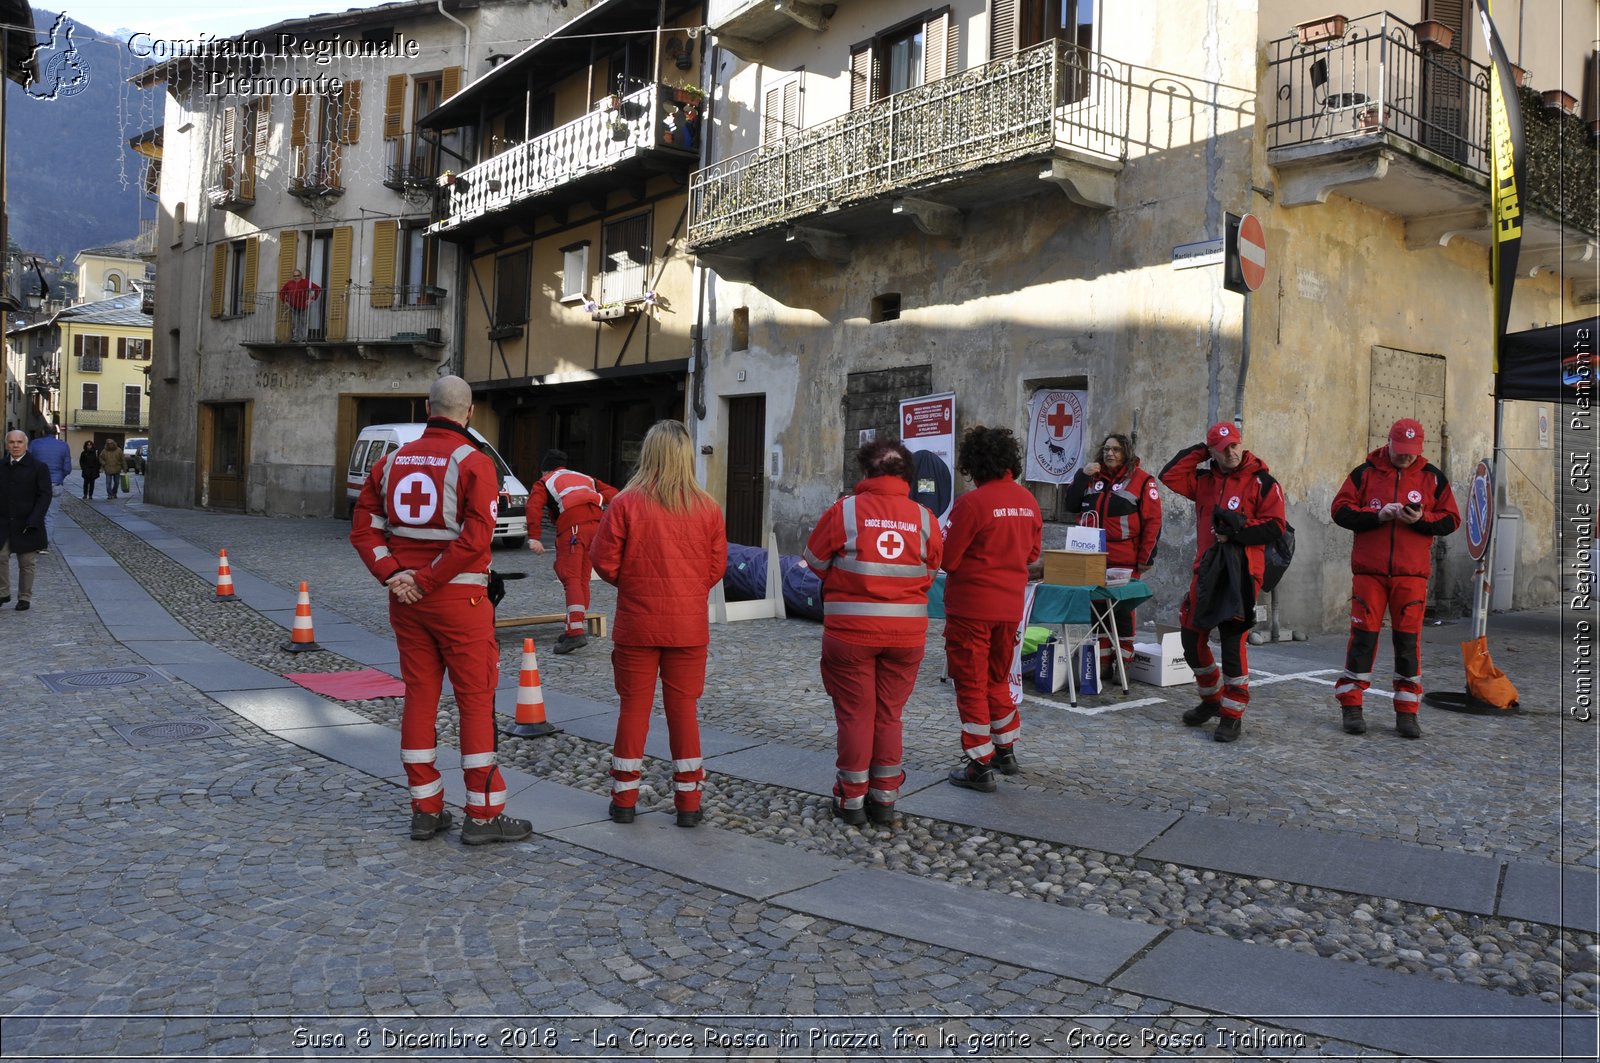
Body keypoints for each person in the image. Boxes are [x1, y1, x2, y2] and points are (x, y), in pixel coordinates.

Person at [350, 375, 532, 846]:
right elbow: (476, 541)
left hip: (405, 603)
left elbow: (364, 528)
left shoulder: (389, 462)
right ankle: (483, 815)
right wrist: (428, 579)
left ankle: (425, 810)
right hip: (459, 601)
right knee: (475, 700)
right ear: (469, 413)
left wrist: (394, 576)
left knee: (420, 696)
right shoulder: (475, 461)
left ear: (427, 407)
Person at [589, 420, 726, 828]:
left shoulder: (626, 504)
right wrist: (688, 588)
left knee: (634, 708)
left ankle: (625, 798)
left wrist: (632, 583)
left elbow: (604, 560)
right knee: (684, 709)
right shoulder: (707, 508)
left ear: (647, 455)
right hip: (687, 626)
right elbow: (716, 566)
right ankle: (688, 800)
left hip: (638, 623)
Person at [804, 441, 943, 826]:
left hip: (851, 634)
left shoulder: (844, 511)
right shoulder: (925, 518)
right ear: (908, 477)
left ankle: (850, 801)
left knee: (855, 715)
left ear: (865, 473)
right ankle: (884, 800)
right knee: (889, 716)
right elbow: (930, 573)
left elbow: (814, 561)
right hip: (906, 635)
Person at [1331, 418, 1460, 739]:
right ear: (1388, 443)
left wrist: (1421, 520)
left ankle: (1407, 712)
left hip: (1411, 577)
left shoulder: (1433, 478)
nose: (1406, 457)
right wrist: (1377, 515)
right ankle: (1352, 706)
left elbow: (1451, 519)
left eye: (1412, 452)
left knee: (1407, 645)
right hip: (1369, 575)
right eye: (1401, 451)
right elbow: (1339, 510)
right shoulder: (1364, 473)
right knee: (1362, 641)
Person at [1159, 422, 1287, 743]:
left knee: (1232, 645)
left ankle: (1232, 714)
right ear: (1212, 452)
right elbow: (1170, 475)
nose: (1232, 452)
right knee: (1191, 639)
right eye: (1224, 448)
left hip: (1242, 575)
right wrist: (1202, 451)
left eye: (1235, 446)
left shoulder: (1262, 482)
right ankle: (1212, 700)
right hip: (1205, 572)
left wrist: (1237, 533)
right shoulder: (1204, 480)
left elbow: (1275, 526)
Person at [941, 425, 1042, 791]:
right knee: (998, 680)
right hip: (1010, 607)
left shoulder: (972, 503)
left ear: (974, 463)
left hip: (972, 608)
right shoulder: (1029, 502)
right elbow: (1032, 556)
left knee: (970, 683)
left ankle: (978, 765)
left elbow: (947, 559)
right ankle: (1005, 750)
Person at [1062, 432, 1163, 679]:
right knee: (1097, 607)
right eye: (1106, 449)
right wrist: (1080, 475)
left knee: (1121, 608)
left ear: (1126, 453)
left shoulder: (1142, 481)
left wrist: (1146, 557)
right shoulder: (1091, 478)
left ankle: (1124, 660)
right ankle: (1103, 661)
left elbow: (1153, 522)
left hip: (1125, 557)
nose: (1110, 454)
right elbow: (1071, 506)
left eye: (1116, 450)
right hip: (1092, 556)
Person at [526, 449, 618, 654]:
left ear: (545, 469)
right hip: (597, 528)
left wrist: (534, 537)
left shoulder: (545, 481)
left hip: (573, 529)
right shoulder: (585, 478)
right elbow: (616, 495)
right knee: (583, 577)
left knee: (571, 577)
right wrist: (595, 499)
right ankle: (574, 627)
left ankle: (575, 633)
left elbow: (533, 506)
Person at [1, 430, 50, 611]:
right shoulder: (1, 466)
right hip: (4, 522)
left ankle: (24, 597)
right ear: (7, 445)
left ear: (26, 445)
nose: (15, 445)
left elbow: (45, 495)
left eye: (19, 442)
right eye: (12, 442)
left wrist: (35, 518)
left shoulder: (38, 467)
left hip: (28, 522)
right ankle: (2, 592)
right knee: (1, 557)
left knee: (26, 563)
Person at [27, 427, 71, 541]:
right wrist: (59, 477)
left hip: (36, 484)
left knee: (35, 512)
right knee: (51, 515)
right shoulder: (63, 446)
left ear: (43, 432)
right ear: (56, 433)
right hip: (55, 483)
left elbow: (27, 462)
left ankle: (33, 540)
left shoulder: (34, 444)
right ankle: (44, 544)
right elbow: (67, 468)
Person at [279, 269, 321, 340]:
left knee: (303, 322)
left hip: (303, 306)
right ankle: (296, 338)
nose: (296, 277)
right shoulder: (289, 283)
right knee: (295, 323)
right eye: (294, 276)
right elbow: (282, 292)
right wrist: (285, 301)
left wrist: (312, 299)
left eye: (298, 275)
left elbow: (318, 289)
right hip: (293, 306)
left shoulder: (306, 282)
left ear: (301, 276)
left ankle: (303, 338)